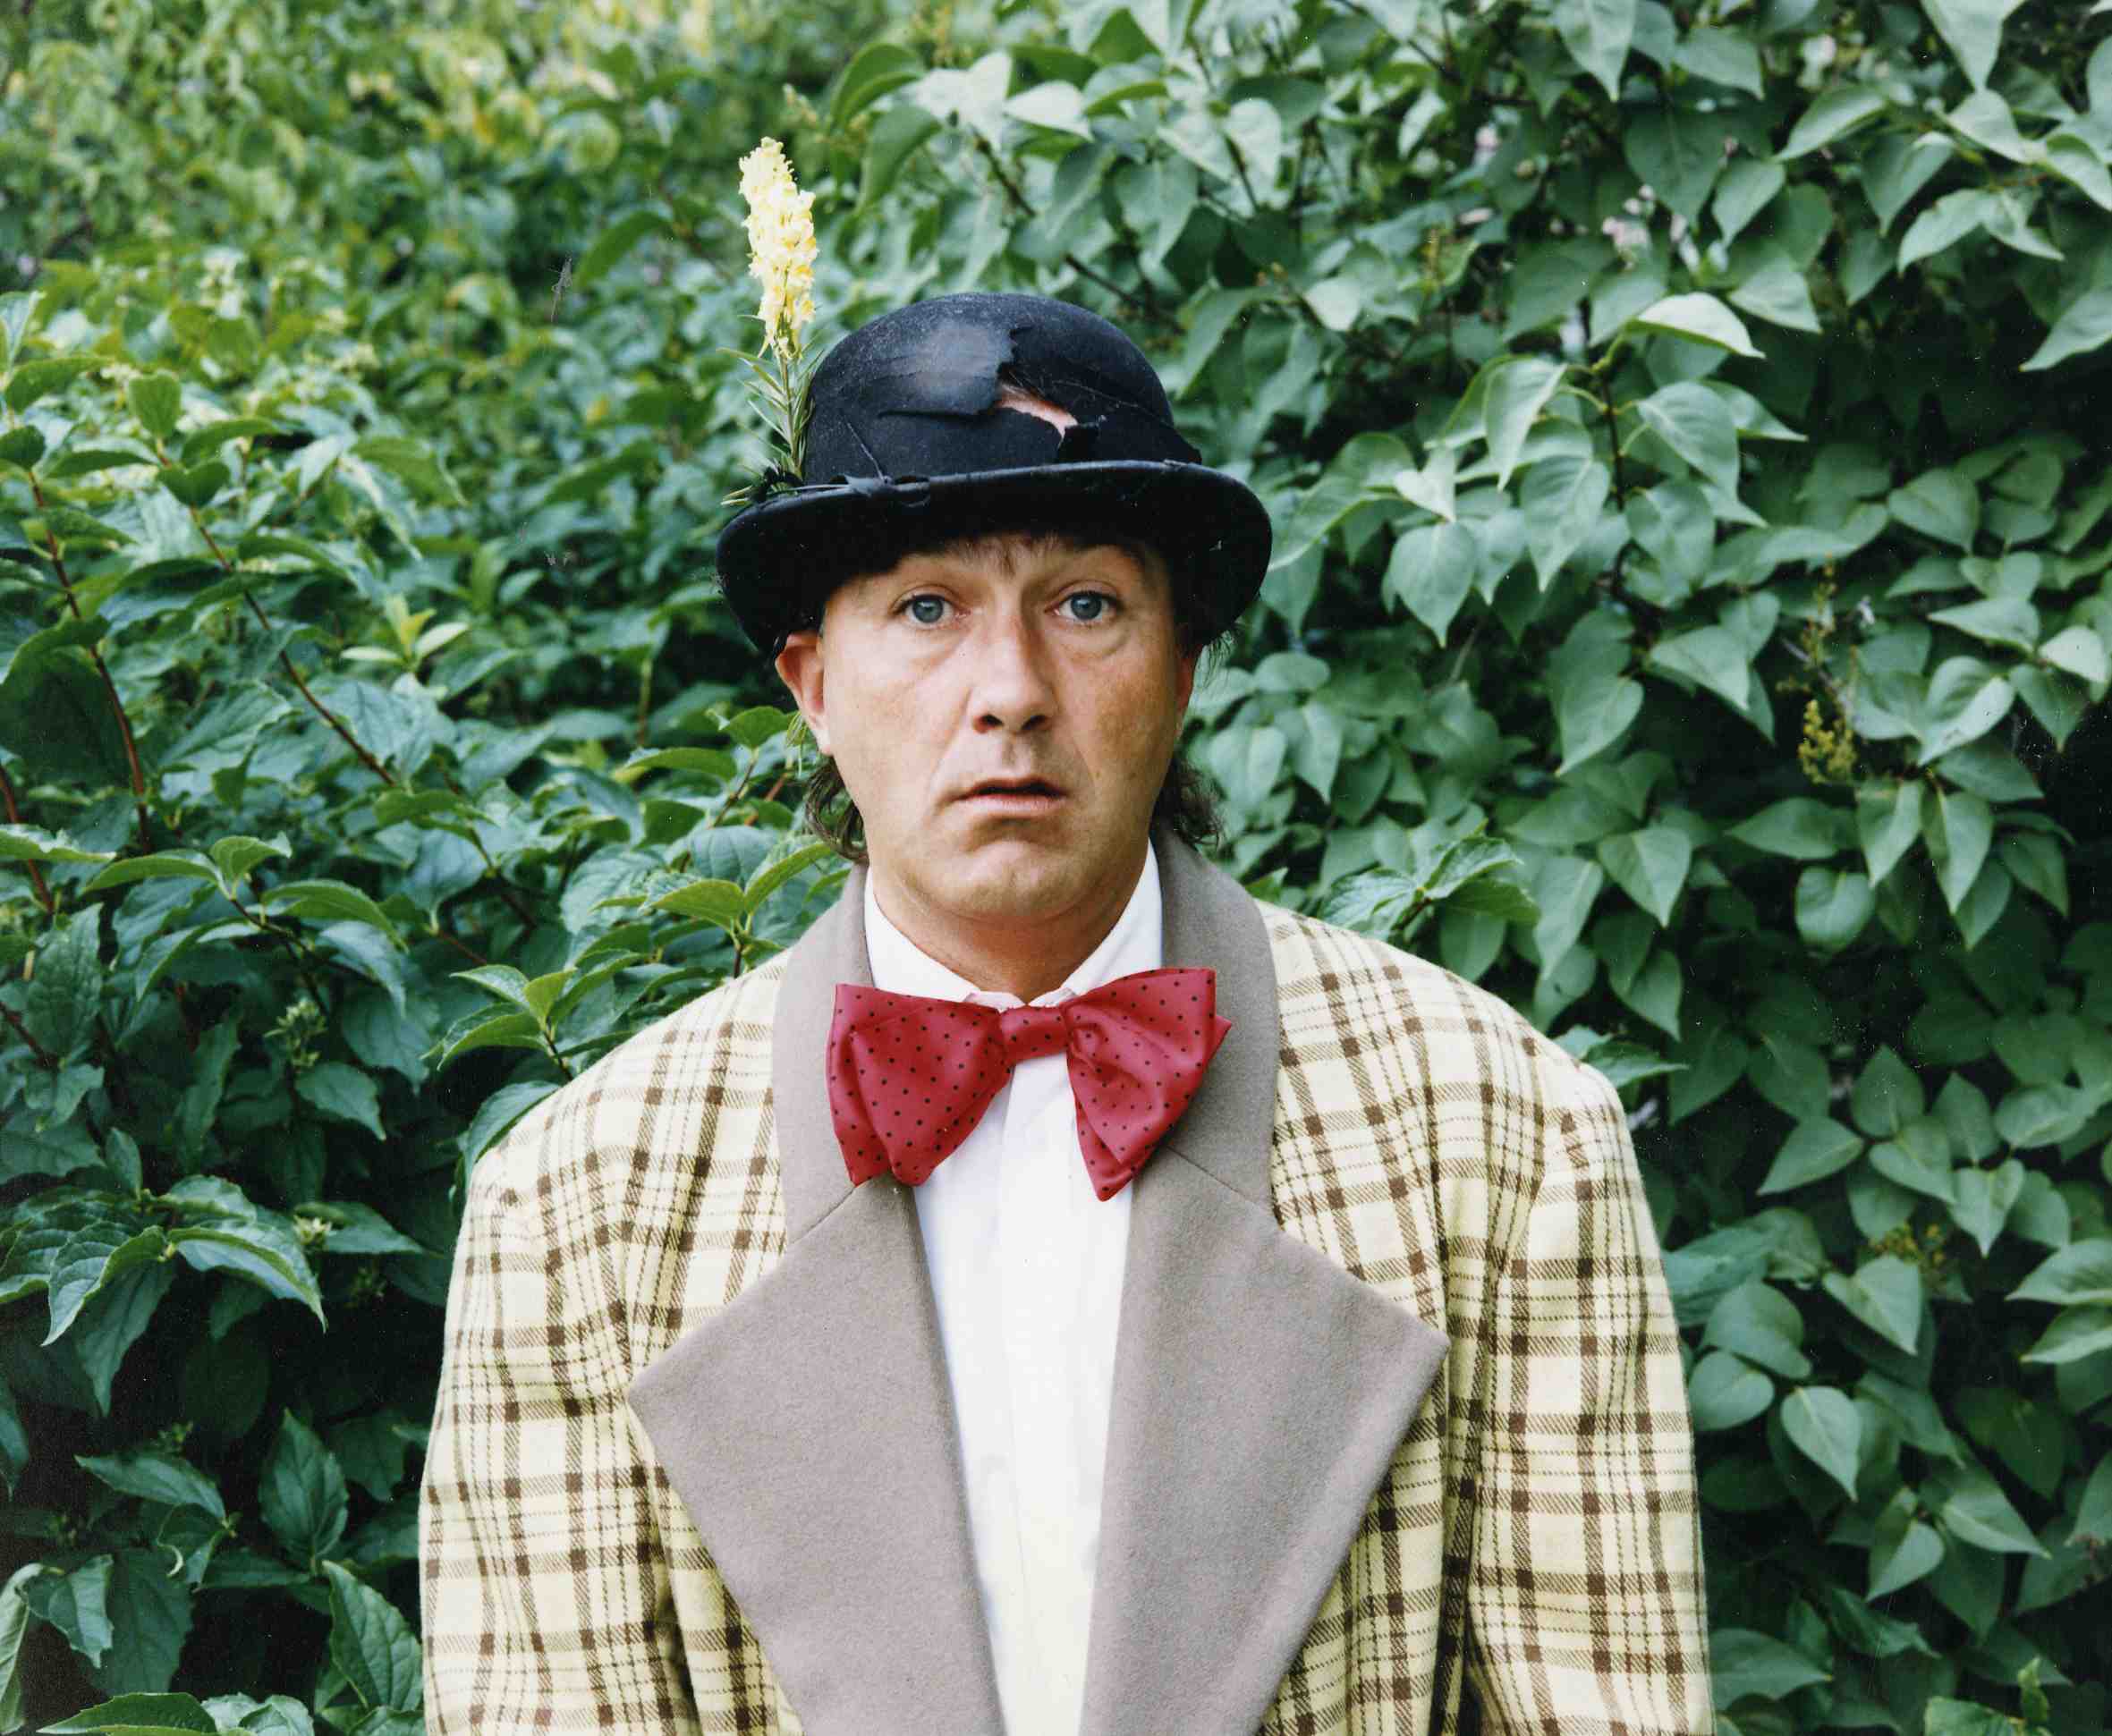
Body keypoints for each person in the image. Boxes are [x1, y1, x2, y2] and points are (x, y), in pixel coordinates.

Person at [419, 291, 1709, 1733]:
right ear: (814, 687)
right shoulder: (573, 1212)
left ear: (1182, 667)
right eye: (926, 608)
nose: (1010, 693)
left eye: (1085, 604)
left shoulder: (1504, 1136)